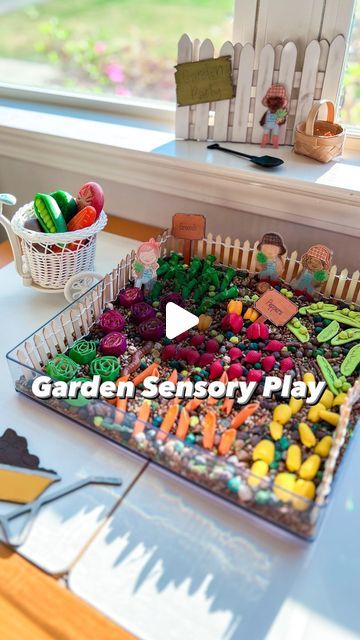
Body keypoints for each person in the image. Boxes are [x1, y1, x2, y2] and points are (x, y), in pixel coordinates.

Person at [260, 84, 288, 148]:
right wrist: (262, 122)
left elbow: (282, 118)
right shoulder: (268, 111)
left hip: (275, 125)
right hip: (267, 125)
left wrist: (281, 120)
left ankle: (275, 145)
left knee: (275, 134)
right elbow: (264, 117)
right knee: (266, 133)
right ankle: (263, 144)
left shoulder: (279, 112)